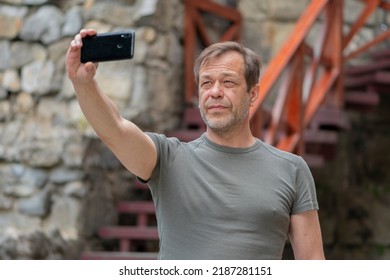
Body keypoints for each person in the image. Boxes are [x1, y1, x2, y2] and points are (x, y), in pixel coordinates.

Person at [66, 29, 325, 260]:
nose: (215, 92)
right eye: (206, 83)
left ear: (253, 93)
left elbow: (313, 263)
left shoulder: (292, 169)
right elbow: (116, 129)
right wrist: (83, 83)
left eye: (228, 82)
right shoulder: (167, 159)